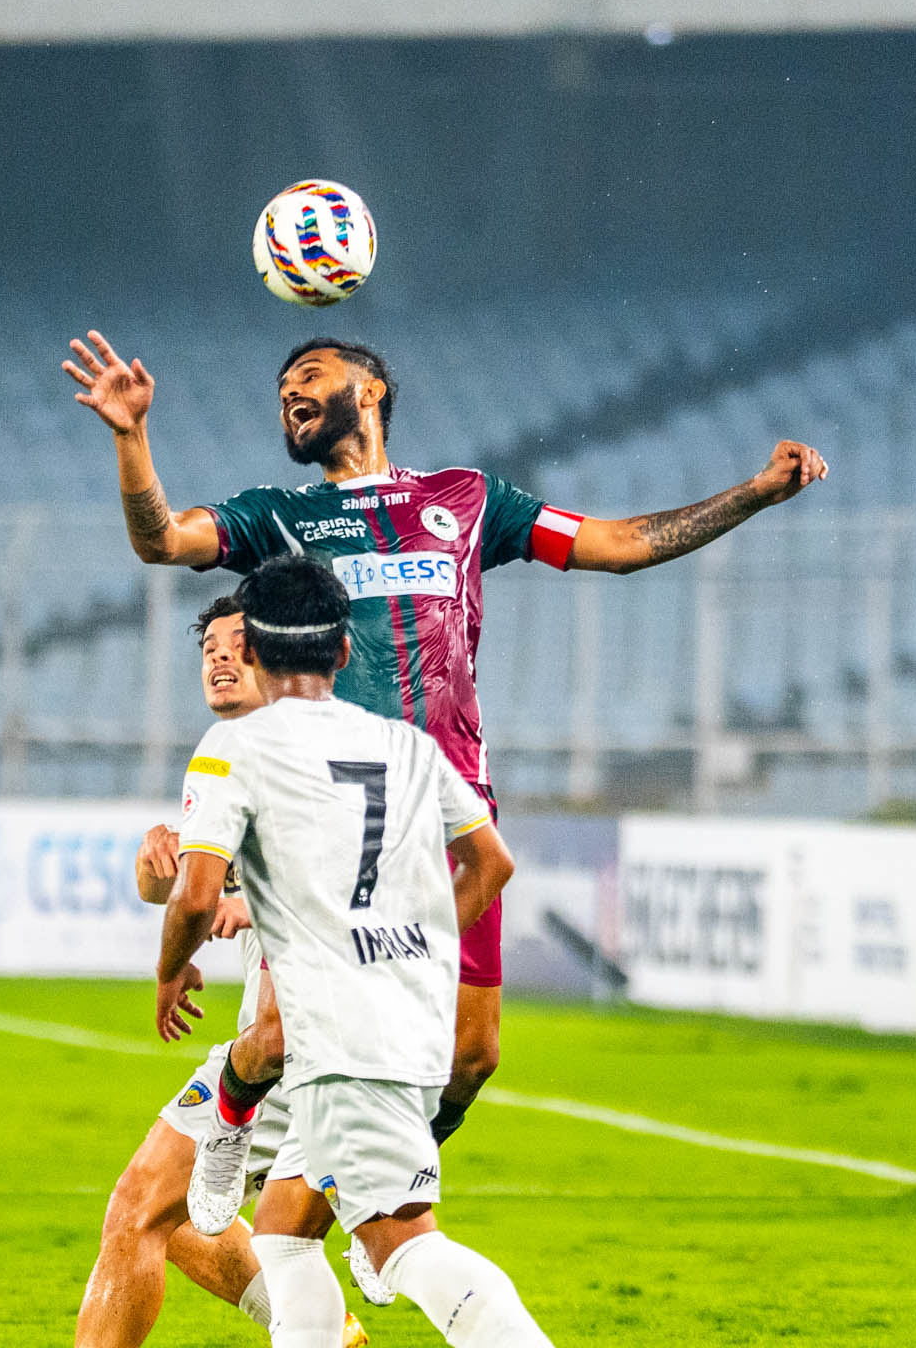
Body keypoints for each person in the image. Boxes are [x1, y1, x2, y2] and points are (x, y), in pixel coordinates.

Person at [66, 330, 825, 1147]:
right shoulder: (279, 514)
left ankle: (364, 1180)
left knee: (471, 1056)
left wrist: (753, 493)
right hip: (336, 806)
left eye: (310, 376)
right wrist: (131, 436)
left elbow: (622, 545)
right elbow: (163, 539)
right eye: (282, 390)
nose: (290, 394)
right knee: (295, 1034)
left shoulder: (466, 498)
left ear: (370, 391)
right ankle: (235, 1130)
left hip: (450, 802)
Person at [161, 555, 628, 1348]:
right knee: (283, 1230)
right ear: (344, 650)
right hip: (408, 1013)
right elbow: (491, 860)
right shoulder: (404, 741)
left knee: (402, 1240)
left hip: (341, 1032)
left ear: (258, 652)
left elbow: (198, 894)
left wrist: (172, 969)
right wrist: (413, 943)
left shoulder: (238, 746)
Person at [0, 599, 366, 1348]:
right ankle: (314, 1330)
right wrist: (162, 872)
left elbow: (229, 897)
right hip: (316, 1030)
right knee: (161, 1209)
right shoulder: (298, 748)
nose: (219, 659)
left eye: (239, 644)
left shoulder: (245, 751)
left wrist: (180, 947)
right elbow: (198, 890)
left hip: (294, 1040)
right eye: (208, 647)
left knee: (144, 1203)